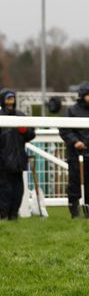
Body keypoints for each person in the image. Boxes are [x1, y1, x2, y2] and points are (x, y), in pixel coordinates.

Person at [59, 81, 89, 218]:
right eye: (88, 95)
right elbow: (64, 130)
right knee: (75, 185)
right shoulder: (71, 111)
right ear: (82, 96)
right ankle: (75, 214)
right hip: (77, 156)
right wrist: (75, 142)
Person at [0, 89, 36, 220]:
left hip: (18, 161)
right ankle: (3, 216)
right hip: (3, 163)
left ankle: (13, 215)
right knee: (5, 191)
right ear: (3, 100)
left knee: (18, 191)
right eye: (8, 99)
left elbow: (31, 134)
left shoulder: (21, 116)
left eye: (12, 99)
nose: (10, 102)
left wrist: (25, 130)